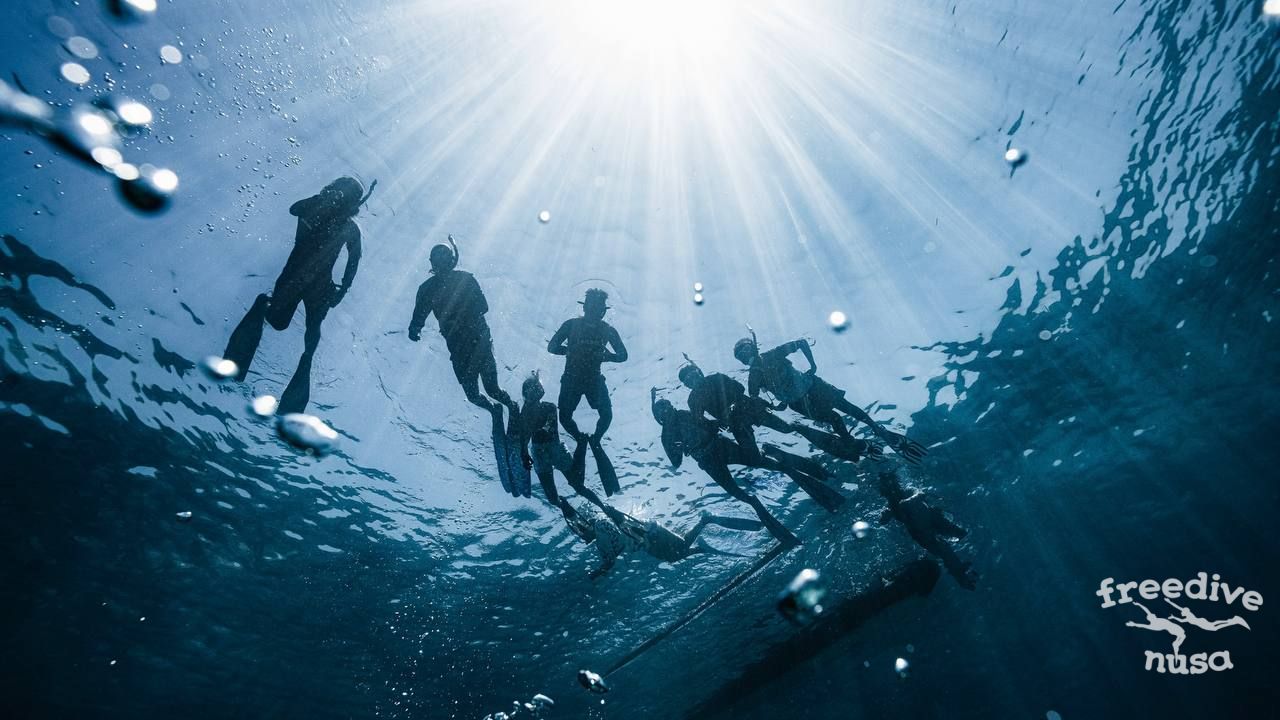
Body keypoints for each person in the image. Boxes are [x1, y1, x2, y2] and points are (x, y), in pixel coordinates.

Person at [223, 177, 369, 413]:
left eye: (347, 195)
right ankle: (263, 305)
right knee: (278, 323)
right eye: (340, 191)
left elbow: (354, 260)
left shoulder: (350, 228)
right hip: (295, 275)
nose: (341, 197)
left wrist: (343, 289)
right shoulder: (317, 206)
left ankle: (306, 359)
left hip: (319, 284)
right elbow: (295, 209)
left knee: (313, 331)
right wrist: (321, 199)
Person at [652, 388, 840, 548]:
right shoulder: (665, 436)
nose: (667, 411)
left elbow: (708, 424)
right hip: (709, 461)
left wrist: (717, 424)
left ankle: (801, 473)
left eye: (667, 407)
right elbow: (676, 463)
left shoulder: (684, 414)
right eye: (662, 411)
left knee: (765, 464)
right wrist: (677, 448)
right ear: (659, 417)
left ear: (670, 406)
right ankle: (769, 512)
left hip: (721, 447)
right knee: (740, 494)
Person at [732, 334, 927, 466]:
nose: (744, 356)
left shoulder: (767, 360)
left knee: (844, 410)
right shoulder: (755, 373)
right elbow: (756, 399)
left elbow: (800, 342)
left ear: (752, 349)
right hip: (802, 398)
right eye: (741, 355)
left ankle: (870, 431)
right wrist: (778, 402)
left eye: (744, 352)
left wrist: (812, 365)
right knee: (836, 416)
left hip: (811, 389)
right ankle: (852, 439)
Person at [678, 359, 881, 467]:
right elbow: (698, 419)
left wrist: (733, 406)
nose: (692, 379)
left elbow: (739, 389)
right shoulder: (692, 399)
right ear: (686, 384)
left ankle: (840, 442)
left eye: (692, 374)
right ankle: (778, 457)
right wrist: (715, 424)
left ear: (699, 372)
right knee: (754, 459)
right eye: (687, 379)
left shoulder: (716, 378)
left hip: (751, 409)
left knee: (788, 428)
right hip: (735, 423)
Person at [407, 236, 517, 417]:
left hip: (478, 341)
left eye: (443, 259)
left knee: (491, 389)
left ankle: (511, 406)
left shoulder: (463, 280)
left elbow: (483, 306)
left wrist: (416, 328)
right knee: (474, 394)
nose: (441, 264)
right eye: (438, 260)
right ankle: (494, 410)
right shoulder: (430, 288)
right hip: (460, 347)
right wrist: (414, 328)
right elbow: (419, 314)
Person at [559, 499, 764, 579]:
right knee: (674, 558)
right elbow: (611, 558)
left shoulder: (600, 527)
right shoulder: (599, 542)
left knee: (682, 546)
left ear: (584, 527)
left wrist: (597, 572)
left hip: (650, 533)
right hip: (645, 543)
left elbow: (612, 555)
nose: (581, 537)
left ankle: (705, 521)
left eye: (580, 532)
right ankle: (700, 547)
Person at [548, 288, 628, 494]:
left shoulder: (607, 330)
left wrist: (606, 356)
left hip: (592, 379)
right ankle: (582, 438)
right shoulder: (571, 324)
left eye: (598, 308)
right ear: (584, 307)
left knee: (606, 414)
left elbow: (623, 355)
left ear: (602, 311)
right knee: (564, 416)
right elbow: (552, 346)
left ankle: (595, 439)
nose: (594, 312)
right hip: (572, 379)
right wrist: (570, 351)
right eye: (591, 307)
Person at [513, 372, 607, 509]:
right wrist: (524, 454)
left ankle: (604, 507)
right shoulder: (525, 413)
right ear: (526, 394)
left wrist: (525, 452)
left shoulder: (549, 407)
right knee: (552, 498)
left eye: (536, 388)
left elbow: (546, 426)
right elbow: (525, 437)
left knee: (579, 486)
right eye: (531, 389)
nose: (535, 392)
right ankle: (563, 505)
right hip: (540, 453)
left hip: (555, 448)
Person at [876, 471, 976, 589]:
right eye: (888, 488)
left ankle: (968, 564)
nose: (892, 490)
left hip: (934, 519)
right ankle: (961, 576)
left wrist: (910, 501)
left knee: (961, 534)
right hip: (921, 532)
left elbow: (920, 493)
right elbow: (882, 520)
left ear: (897, 483)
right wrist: (886, 514)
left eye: (893, 485)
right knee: (944, 551)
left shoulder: (907, 491)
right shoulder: (890, 506)